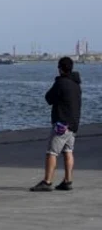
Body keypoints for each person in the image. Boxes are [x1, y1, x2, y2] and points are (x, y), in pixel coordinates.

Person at [30, 57, 82, 192]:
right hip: (73, 124)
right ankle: (68, 180)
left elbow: (49, 98)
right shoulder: (76, 84)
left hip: (61, 124)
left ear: (60, 68)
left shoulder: (61, 83)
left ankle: (47, 181)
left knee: (52, 152)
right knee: (68, 151)